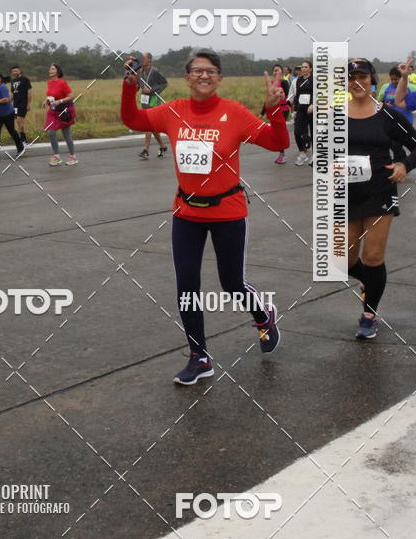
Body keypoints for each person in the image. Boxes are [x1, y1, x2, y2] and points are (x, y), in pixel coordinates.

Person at [121, 49, 289, 385]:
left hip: (227, 211)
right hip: (186, 213)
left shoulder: (235, 113)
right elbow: (133, 120)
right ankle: (199, 356)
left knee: (231, 283)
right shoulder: (173, 112)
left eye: (211, 70)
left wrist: (275, 109)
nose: (203, 75)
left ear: (220, 78)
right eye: (197, 70)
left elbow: (277, 142)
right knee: (187, 286)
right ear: (187, 78)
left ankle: (262, 315)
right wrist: (128, 87)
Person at [346, 59, 416, 338]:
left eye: (362, 76)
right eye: (351, 77)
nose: (357, 81)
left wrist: (404, 166)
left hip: (380, 192)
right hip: (345, 195)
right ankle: (370, 282)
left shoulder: (388, 115)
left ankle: (369, 315)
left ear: (371, 80)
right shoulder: (335, 115)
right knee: (342, 258)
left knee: (373, 256)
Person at [43, 64, 77, 166]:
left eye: (52, 69)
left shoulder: (62, 82)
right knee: (51, 131)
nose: (50, 70)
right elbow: (51, 95)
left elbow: (71, 96)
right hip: (53, 110)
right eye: (50, 68)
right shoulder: (49, 82)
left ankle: (73, 156)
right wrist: (46, 100)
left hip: (65, 110)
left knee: (66, 133)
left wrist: (60, 101)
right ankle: (56, 156)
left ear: (57, 72)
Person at [136, 53, 168, 160]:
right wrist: (141, 88)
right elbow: (139, 83)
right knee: (152, 126)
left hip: (153, 99)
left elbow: (164, 83)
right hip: (144, 100)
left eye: (143, 58)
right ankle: (163, 146)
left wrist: (152, 90)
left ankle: (146, 150)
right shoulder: (140, 72)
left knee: (148, 124)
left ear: (149, 59)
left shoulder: (155, 71)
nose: (142, 60)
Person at [0, 73, 24, 158]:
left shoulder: (3, 87)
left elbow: (6, 99)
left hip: (7, 113)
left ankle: (20, 147)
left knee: (12, 131)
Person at [262, 64, 290, 163]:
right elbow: (267, 100)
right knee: (276, 132)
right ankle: (281, 152)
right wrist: (262, 113)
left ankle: (282, 154)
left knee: (280, 130)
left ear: (281, 72)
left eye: (277, 70)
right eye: (274, 70)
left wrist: (281, 95)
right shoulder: (272, 84)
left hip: (283, 109)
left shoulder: (284, 82)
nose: (275, 72)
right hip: (274, 110)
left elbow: (288, 96)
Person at [288, 61, 313, 165]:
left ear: (310, 69)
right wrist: (294, 109)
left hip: (312, 110)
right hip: (301, 110)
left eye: (306, 67)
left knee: (314, 132)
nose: (303, 69)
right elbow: (294, 96)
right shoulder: (297, 81)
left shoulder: (315, 80)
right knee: (297, 131)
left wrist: (313, 104)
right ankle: (302, 154)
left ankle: (315, 156)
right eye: (302, 67)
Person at [10, 65, 32, 149]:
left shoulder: (25, 79)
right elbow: (12, 93)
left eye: (16, 71)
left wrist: (28, 104)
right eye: (13, 71)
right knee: (19, 123)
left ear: (20, 71)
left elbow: (29, 92)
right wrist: (9, 101)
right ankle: (24, 140)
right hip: (15, 104)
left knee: (19, 121)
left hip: (23, 103)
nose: (15, 72)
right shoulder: (13, 81)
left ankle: (23, 140)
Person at [394, 54, 416, 120]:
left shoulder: (414, 75)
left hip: (413, 87)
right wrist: (404, 77)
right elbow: (400, 102)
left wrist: (412, 82)